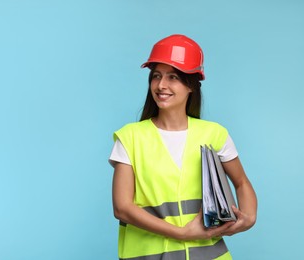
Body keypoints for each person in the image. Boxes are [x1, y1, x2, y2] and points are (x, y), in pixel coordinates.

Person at [109, 34, 257, 260]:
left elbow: (242, 182)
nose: (161, 85)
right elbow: (122, 208)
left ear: (191, 86)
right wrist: (182, 234)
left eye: (173, 77)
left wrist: (248, 217)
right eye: (156, 76)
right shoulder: (130, 137)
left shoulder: (214, 134)